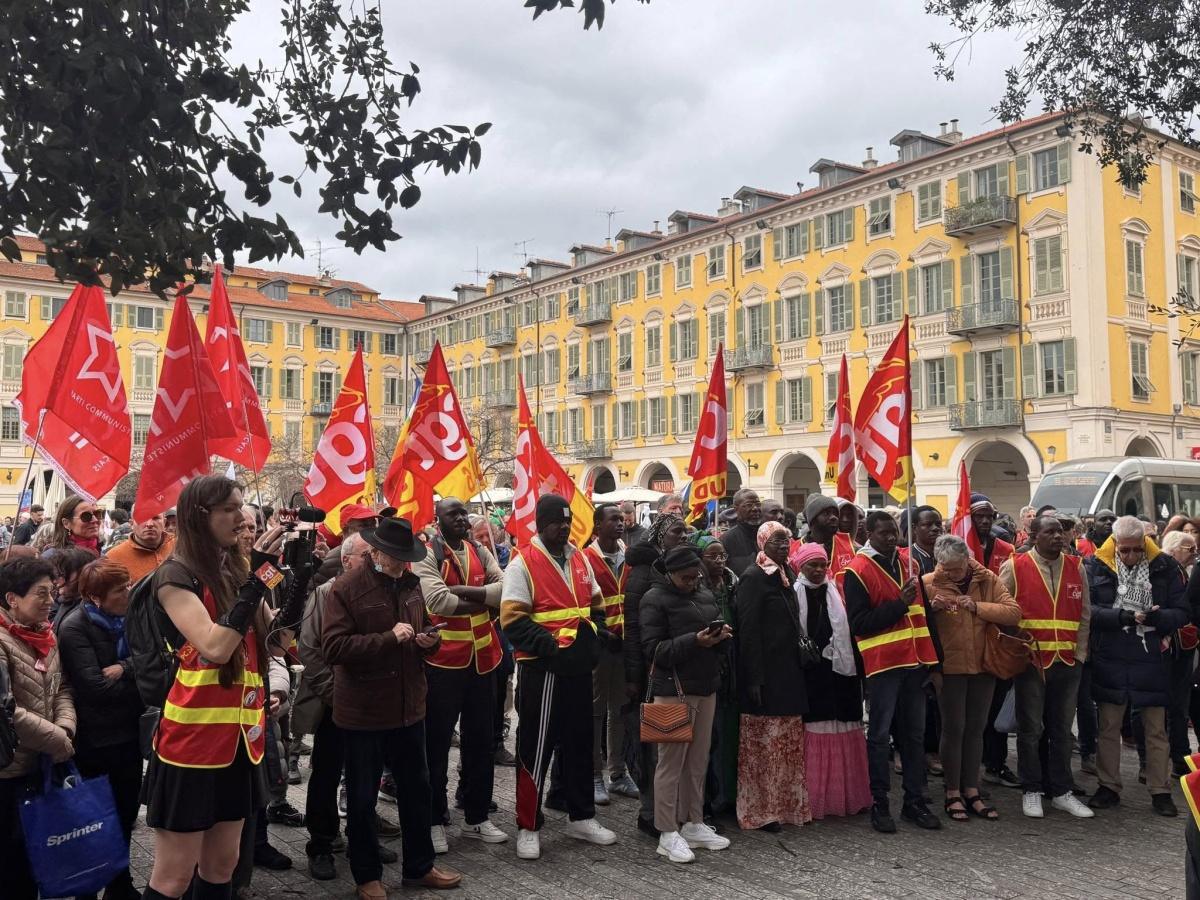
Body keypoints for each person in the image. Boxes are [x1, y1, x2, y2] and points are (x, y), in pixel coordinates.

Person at [138, 476, 290, 900]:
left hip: (242, 739)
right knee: (173, 876)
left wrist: (287, 576)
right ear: (199, 515)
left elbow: (275, 640)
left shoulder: (237, 568)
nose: (242, 518)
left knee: (223, 866)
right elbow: (215, 646)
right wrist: (257, 580)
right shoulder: (174, 575)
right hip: (193, 744)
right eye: (230, 509)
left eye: (242, 507)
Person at [323, 517, 463, 896]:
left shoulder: (413, 584)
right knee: (363, 797)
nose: (404, 563)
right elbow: (333, 648)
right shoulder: (346, 588)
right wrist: (388, 638)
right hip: (364, 712)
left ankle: (420, 866)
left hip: (409, 707)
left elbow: (425, 626)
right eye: (397, 557)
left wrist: (428, 640)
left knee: (417, 790)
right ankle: (366, 876)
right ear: (376, 552)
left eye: (408, 557)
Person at [500, 494, 616, 861]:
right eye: (556, 522)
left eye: (567, 522)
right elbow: (513, 622)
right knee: (535, 748)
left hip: (579, 670)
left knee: (582, 745)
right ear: (540, 524)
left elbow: (595, 606)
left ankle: (581, 816)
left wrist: (594, 639)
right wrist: (551, 647)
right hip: (543, 671)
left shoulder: (579, 557)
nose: (564, 528)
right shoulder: (523, 564)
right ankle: (528, 826)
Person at [413, 497, 508, 854]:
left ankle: (476, 816)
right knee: (436, 745)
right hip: (443, 664)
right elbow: (437, 601)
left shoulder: (479, 549)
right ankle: (434, 819)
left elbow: (506, 592)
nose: (462, 519)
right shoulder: (426, 554)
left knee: (482, 741)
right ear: (437, 520)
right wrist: (485, 599)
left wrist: (467, 593)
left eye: (463, 514)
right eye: (453, 514)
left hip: (484, 659)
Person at [1086, 515, 1190, 816]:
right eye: (1124, 551)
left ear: (1146, 544)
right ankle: (1108, 786)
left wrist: (1159, 618)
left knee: (1156, 728)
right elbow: (1088, 610)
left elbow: (1182, 611)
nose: (1131, 557)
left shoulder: (1165, 565)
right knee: (1108, 727)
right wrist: (1121, 617)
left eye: (1137, 550)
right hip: (1112, 653)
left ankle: (1160, 790)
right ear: (1115, 545)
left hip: (1151, 655)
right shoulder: (1096, 564)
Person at [844, 511, 940, 834]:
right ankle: (879, 803)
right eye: (883, 532)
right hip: (883, 665)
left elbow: (925, 614)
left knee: (914, 735)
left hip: (915, 662)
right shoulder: (856, 570)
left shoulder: (909, 563)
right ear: (868, 532)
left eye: (894, 532)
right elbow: (858, 624)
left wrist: (935, 660)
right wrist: (898, 604)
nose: (890, 537)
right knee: (880, 736)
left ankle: (915, 801)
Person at [995, 516, 1095, 819]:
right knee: (1030, 730)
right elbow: (1003, 612)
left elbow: (1085, 615)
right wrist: (1016, 651)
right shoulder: (1014, 566)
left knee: (1062, 731)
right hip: (1032, 663)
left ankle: (1062, 791)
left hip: (1067, 662)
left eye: (1060, 532)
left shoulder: (1076, 567)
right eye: (1049, 532)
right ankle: (1032, 789)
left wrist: (1079, 655)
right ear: (1033, 535)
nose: (1057, 537)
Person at [57, 558, 143, 900]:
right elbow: (95, 687)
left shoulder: (132, 617)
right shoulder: (75, 627)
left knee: (125, 814)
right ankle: (88, 887)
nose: (128, 593)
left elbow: (156, 659)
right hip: (95, 740)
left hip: (129, 735)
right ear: (96, 597)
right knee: (94, 819)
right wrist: (140, 678)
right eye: (120, 589)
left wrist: (124, 667)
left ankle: (121, 885)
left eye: (127, 585)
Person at [641, 545, 732, 863]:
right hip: (671, 689)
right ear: (670, 574)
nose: (693, 582)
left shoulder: (703, 591)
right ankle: (666, 832)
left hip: (705, 687)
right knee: (668, 764)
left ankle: (693, 822)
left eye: (696, 577)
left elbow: (710, 620)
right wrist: (695, 640)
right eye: (686, 578)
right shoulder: (653, 599)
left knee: (697, 762)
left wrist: (720, 636)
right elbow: (653, 651)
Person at [923, 534, 1021, 823]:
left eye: (957, 567)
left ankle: (972, 789)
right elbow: (918, 621)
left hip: (983, 664)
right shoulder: (930, 583)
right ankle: (952, 791)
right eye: (947, 568)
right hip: (950, 669)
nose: (953, 573)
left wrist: (977, 607)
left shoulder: (987, 578)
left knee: (976, 729)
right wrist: (932, 609)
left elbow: (1013, 613)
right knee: (954, 728)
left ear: (967, 559)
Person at [0, 556, 76, 900]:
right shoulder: (3, 642)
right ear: (11, 599)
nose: (50, 601)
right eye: (40, 594)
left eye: (52, 592)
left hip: (40, 762)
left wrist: (65, 726)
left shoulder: (47, 635)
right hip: (8, 766)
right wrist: (55, 738)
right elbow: (7, 710)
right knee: (11, 858)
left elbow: (61, 688)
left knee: (35, 853)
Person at [735, 521, 812, 832]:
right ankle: (762, 810)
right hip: (766, 673)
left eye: (787, 539)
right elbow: (749, 631)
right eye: (777, 540)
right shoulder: (753, 577)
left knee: (785, 742)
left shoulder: (786, 573)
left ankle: (785, 805)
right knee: (764, 746)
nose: (784, 545)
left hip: (788, 670)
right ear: (763, 542)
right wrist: (754, 677)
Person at [791, 542, 871, 820]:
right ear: (800, 567)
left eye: (822, 564)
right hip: (810, 676)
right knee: (816, 727)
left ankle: (847, 794)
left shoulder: (837, 591)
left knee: (843, 727)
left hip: (841, 674)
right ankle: (816, 797)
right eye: (811, 565)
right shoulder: (793, 595)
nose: (817, 570)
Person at [622, 511, 687, 836]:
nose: (684, 536)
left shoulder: (681, 568)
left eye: (686, 532)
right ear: (660, 536)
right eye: (677, 532)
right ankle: (651, 813)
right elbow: (633, 630)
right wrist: (633, 677)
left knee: (672, 741)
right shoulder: (644, 572)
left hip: (677, 667)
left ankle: (671, 808)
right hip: (650, 670)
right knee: (655, 743)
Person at [581, 503, 639, 803]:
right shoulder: (585, 559)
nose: (621, 523)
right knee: (595, 711)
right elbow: (579, 604)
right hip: (599, 648)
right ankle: (594, 775)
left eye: (622, 518)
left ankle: (618, 773)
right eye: (613, 519)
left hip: (625, 648)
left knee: (620, 710)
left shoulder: (630, 556)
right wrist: (600, 633)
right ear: (597, 525)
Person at [692, 533, 739, 816]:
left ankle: (728, 794)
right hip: (708, 664)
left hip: (733, 662)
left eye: (722, 556)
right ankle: (708, 800)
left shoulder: (733, 583)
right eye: (712, 556)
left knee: (728, 731)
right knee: (709, 736)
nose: (719, 562)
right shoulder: (695, 588)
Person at [106, 510, 175, 584]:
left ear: (164, 522)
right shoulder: (113, 558)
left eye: (155, 518)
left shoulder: (181, 546)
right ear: (131, 524)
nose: (149, 524)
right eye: (142, 518)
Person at [803, 495, 857, 587]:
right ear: (813, 520)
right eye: (826, 513)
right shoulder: (795, 549)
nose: (833, 517)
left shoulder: (851, 547)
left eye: (835, 514)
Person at [48, 545, 95, 631]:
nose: (56, 580)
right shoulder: (64, 601)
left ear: (84, 573)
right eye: (57, 574)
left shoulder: (91, 612)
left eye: (63, 574)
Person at [719, 489, 763, 576]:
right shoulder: (726, 540)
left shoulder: (768, 535)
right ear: (736, 509)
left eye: (758, 504)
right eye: (749, 505)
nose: (755, 508)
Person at [907, 506, 944, 577]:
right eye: (928, 524)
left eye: (938, 524)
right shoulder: (907, 559)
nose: (935, 528)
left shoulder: (951, 555)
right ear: (914, 528)